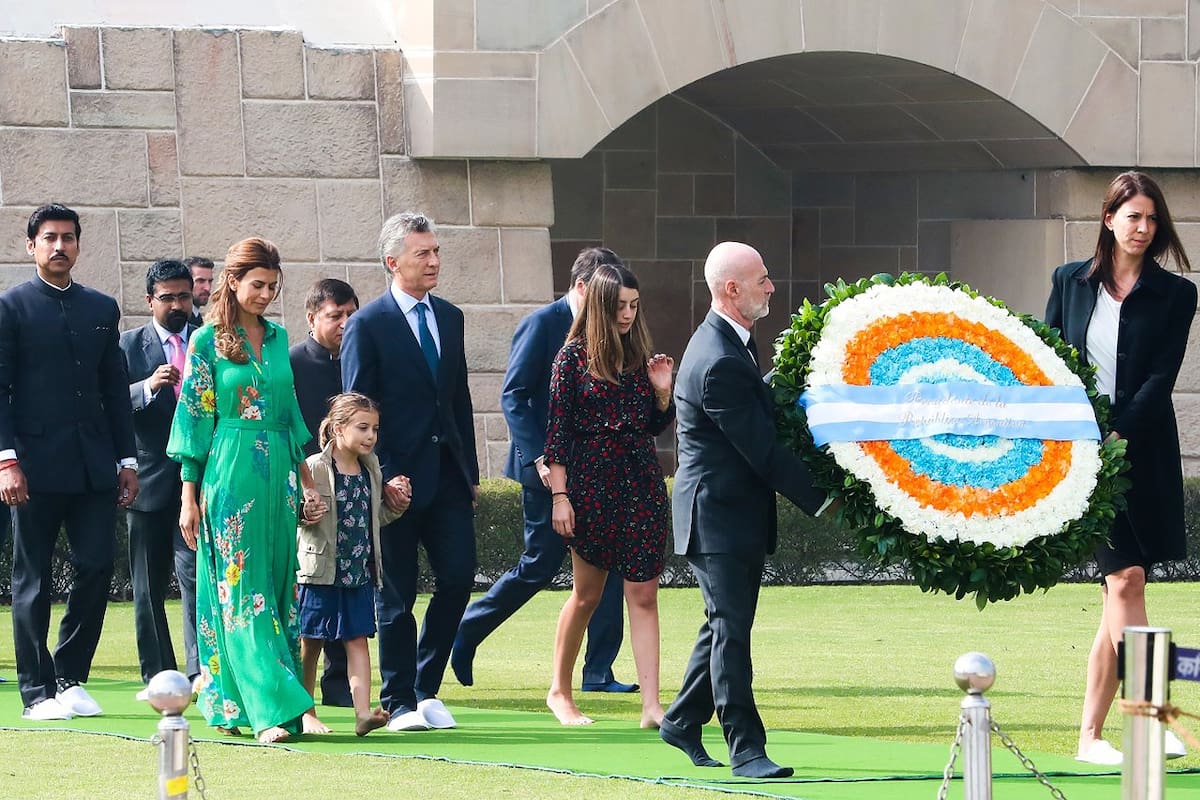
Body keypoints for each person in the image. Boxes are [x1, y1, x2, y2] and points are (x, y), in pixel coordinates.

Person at [660, 241, 829, 779]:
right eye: (762, 279)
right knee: (731, 629)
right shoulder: (718, 361)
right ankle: (746, 749)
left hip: (728, 515)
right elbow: (762, 450)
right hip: (718, 518)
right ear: (731, 289)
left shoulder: (732, 344)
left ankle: (683, 721)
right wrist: (827, 494)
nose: (771, 287)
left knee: (721, 625)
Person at [1045, 172, 1197, 766]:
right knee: (1126, 581)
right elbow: (1050, 359)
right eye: (1133, 216)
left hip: (1143, 451)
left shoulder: (1176, 294)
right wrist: (1075, 434)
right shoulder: (1069, 282)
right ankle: (1149, 718)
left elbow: (1161, 378)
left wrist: (1118, 434)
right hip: (1082, 457)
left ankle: (1088, 739)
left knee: (1121, 593)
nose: (1144, 227)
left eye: (1152, 219)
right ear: (1108, 218)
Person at [451, 247, 633, 694]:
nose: (617, 308)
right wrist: (540, 459)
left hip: (598, 469)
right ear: (582, 287)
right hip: (546, 470)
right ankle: (466, 631)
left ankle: (598, 672)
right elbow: (514, 395)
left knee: (606, 566)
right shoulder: (542, 324)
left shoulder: (611, 328)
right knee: (540, 565)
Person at [168, 237, 328, 744]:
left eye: (273, 287)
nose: (265, 294)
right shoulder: (205, 341)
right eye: (257, 285)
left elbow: (291, 416)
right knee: (243, 594)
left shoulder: (279, 338)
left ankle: (239, 701)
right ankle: (269, 711)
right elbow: (193, 422)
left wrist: (307, 484)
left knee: (278, 589)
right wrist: (188, 497)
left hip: (279, 474)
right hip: (230, 473)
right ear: (232, 282)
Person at [0, 203, 139, 721]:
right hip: (31, 467)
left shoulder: (101, 309)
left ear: (79, 245)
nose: (60, 247)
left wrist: (127, 459)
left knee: (98, 566)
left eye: (69, 238)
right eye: (50, 238)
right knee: (32, 579)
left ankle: (70, 674)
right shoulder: (10, 309)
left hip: (93, 466)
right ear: (31, 245)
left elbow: (113, 391)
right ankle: (36, 691)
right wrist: (6, 461)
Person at [342, 211, 479, 733]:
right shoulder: (367, 324)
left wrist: (469, 472)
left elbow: (458, 400)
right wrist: (380, 475)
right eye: (423, 253)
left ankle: (426, 687)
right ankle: (398, 700)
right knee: (395, 596)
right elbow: (357, 409)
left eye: (436, 251)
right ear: (392, 261)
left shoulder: (451, 317)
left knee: (459, 580)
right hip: (391, 481)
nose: (434, 261)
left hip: (445, 475)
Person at [543, 263, 674, 728]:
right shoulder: (571, 358)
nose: (628, 314)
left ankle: (652, 706)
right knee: (587, 594)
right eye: (620, 306)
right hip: (590, 485)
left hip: (640, 482)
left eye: (634, 306)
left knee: (643, 593)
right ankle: (559, 689)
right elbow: (556, 435)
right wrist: (561, 497)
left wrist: (662, 395)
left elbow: (654, 425)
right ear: (598, 305)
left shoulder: (639, 355)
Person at [297, 393, 407, 736]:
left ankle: (362, 713)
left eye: (374, 428)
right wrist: (305, 513)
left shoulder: (371, 468)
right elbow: (296, 513)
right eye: (362, 427)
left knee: (357, 640)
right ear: (338, 428)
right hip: (319, 573)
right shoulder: (314, 466)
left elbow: (372, 518)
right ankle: (305, 711)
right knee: (310, 642)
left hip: (358, 572)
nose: (370, 435)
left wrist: (398, 504)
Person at [119, 259, 200, 692]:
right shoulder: (129, 346)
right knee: (148, 585)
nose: (176, 305)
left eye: (183, 296)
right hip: (147, 480)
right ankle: (158, 675)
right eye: (167, 297)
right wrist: (148, 386)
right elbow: (111, 403)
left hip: (200, 483)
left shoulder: (209, 343)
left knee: (195, 578)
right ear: (150, 300)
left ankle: (200, 672)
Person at [290, 278, 360, 708]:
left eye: (352, 314)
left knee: (351, 580)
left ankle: (343, 688)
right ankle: (303, 692)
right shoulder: (292, 361)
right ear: (312, 317)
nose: (345, 324)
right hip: (308, 487)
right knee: (315, 588)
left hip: (353, 489)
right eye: (336, 316)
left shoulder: (361, 357)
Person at [185, 256, 214, 328]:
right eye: (200, 281)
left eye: (210, 281)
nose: (207, 288)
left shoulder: (196, 316)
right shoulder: (181, 321)